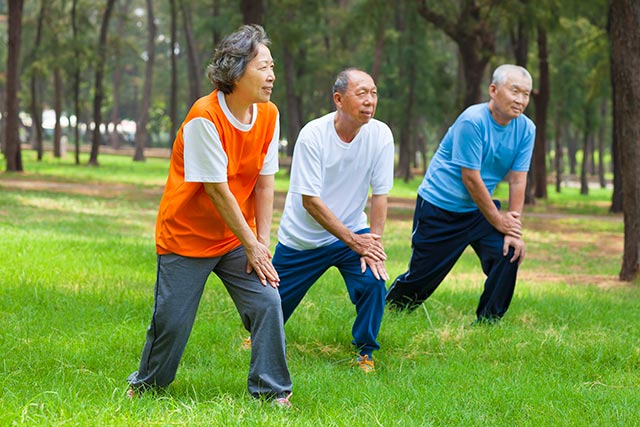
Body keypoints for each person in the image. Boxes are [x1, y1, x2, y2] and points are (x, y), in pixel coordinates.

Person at [127, 24, 292, 407]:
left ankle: (272, 392)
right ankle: (148, 385)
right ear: (236, 71)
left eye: (273, 67)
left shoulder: (268, 114)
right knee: (172, 323)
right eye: (263, 67)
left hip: (236, 238)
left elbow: (265, 183)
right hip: (187, 237)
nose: (271, 76)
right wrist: (252, 244)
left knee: (268, 302)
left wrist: (261, 243)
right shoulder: (205, 116)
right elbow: (217, 190)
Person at [386, 64, 535, 324]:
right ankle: (387, 311)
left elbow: (518, 180)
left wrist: (512, 229)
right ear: (493, 90)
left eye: (526, 94)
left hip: (479, 210)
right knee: (420, 280)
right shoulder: (472, 121)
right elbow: (471, 178)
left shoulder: (526, 129)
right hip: (440, 207)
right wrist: (499, 221)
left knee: (508, 252)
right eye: (515, 92)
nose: (521, 100)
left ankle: (489, 322)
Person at [272, 68, 395, 372]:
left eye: (374, 93)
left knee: (374, 281)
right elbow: (310, 201)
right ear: (338, 99)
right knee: (267, 304)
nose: (370, 101)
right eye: (362, 93)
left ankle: (365, 350)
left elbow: (380, 195)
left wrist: (373, 244)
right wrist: (355, 241)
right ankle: (258, 336)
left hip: (352, 231)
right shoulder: (313, 135)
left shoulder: (381, 134)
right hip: (303, 238)